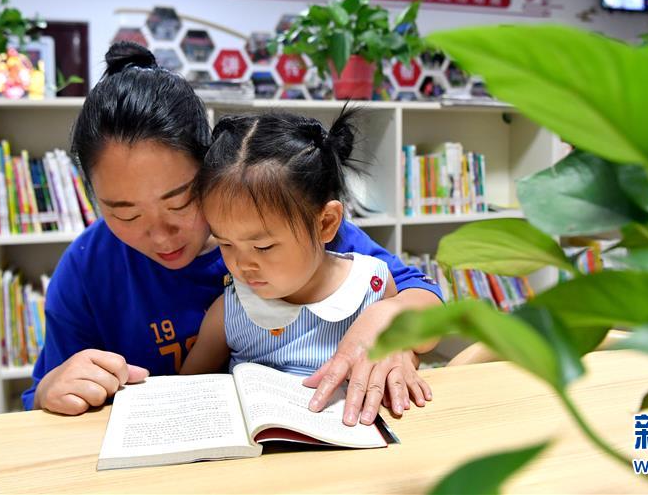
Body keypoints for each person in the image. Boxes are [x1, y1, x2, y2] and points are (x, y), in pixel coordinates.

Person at [23, 42, 443, 427]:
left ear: (209, 170)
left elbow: (420, 296)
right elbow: (40, 397)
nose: (161, 235)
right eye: (125, 215)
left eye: (179, 203)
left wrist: (388, 321)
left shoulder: (285, 226)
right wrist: (50, 390)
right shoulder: (88, 266)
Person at [180, 110, 439, 419]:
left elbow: (429, 337)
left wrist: (403, 346)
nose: (241, 264)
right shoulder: (231, 310)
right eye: (225, 243)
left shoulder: (371, 286)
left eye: (262, 246)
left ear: (326, 223)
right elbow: (186, 391)